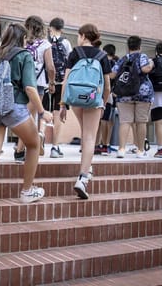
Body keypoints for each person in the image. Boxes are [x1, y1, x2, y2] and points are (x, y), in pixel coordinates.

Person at [0, 23, 53, 233]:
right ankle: (26, 191)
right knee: (34, 144)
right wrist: (43, 112)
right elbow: (30, 88)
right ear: (23, 39)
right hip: (13, 107)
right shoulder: (24, 55)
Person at [59, 23, 111, 199]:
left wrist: (62, 104)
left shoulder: (74, 53)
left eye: (78, 36)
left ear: (82, 36)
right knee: (89, 136)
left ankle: (87, 167)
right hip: (93, 98)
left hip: (75, 98)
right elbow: (107, 86)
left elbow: (65, 81)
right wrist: (102, 103)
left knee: (84, 132)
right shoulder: (103, 56)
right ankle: (83, 178)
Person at [14, 15, 55, 161]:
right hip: (37, 85)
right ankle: (20, 150)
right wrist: (52, 83)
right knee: (29, 117)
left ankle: (22, 147)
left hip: (20, 84)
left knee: (21, 116)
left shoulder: (21, 42)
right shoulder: (45, 44)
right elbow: (50, 67)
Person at [110, 35, 154, 159]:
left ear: (128, 47)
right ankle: (140, 151)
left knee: (125, 122)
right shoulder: (143, 56)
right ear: (140, 47)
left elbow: (112, 75)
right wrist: (151, 63)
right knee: (141, 122)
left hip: (124, 94)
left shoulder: (123, 59)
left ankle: (121, 149)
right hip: (142, 94)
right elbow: (145, 69)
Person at [46, 17, 72, 158]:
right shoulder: (66, 43)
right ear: (61, 29)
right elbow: (70, 63)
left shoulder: (44, 42)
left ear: (50, 27)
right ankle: (54, 148)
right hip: (61, 83)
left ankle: (39, 139)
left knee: (42, 113)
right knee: (57, 114)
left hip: (45, 82)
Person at [95, 43, 118, 156]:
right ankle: (105, 145)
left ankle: (97, 145)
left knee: (99, 121)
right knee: (106, 120)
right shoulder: (115, 64)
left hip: (98, 93)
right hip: (109, 95)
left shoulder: (101, 62)